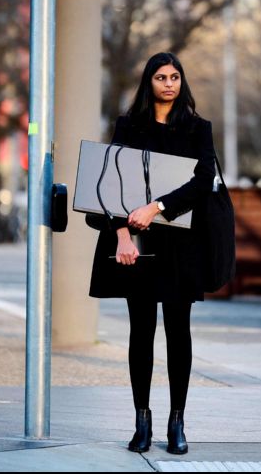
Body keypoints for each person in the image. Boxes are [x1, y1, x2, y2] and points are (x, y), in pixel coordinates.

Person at [87, 52, 216, 455]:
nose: (168, 83)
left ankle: (177, 421)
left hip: (180, 244)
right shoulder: (130, 126)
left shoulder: (197, 129)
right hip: (137, 245)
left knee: (179, 332)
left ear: (182, 82)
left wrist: (156, 206)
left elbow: (203, 180)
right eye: (160, 76)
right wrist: (123, 235)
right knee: (140, 332)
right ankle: (141, 420)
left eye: (175, 76)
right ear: (149, 83)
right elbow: (110, 184)